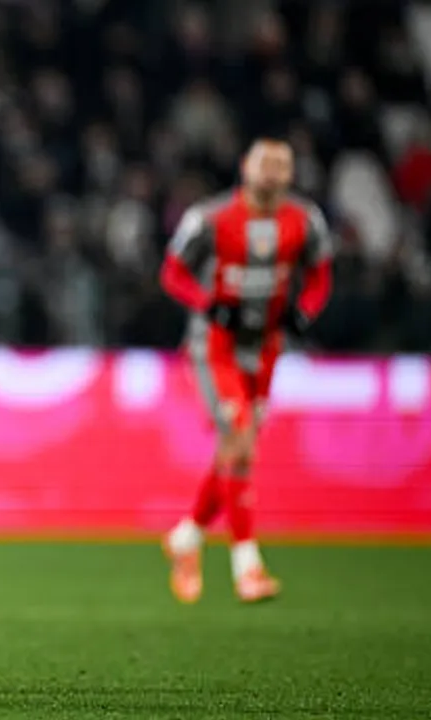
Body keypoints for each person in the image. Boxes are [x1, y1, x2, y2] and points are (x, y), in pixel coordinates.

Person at [159, 137, 333, 604]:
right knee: (240, 442)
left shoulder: (304, 221)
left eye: (282, 165)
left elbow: (319, 275)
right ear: (245, 167)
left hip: (266, 347)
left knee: (237, 449)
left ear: (292, 174)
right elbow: (173, 272)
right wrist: (208, 306)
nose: (273, 173)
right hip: (215, 347)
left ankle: (187, 537)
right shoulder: (211, 219)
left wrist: (305, 311)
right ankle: (247, 566)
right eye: (265, 163)